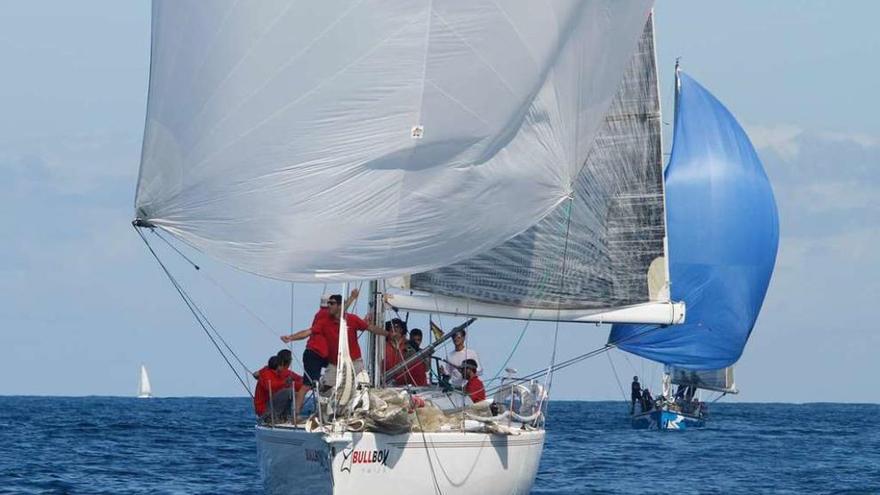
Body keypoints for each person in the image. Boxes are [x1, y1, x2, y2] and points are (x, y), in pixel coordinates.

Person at [280, 289, 359, 410]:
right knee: (306, 386)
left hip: (323, 355)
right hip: (315, 354)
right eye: (331, 303)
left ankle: (326, 396)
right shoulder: (325, 315)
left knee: (336, 375)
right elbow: (342, 310)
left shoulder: (321, 314)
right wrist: (352, 298)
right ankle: (296, 415)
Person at [320, 294, 389, 388]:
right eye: (328, 303)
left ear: (340, 305)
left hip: (354, 362)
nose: (329, 305)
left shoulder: (352, 319)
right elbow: (310, 332)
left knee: (363, 387)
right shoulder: (325, 321)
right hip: (335, 364)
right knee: (326, 390)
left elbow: (371, 328)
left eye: (332, 303)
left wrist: (388, 334)